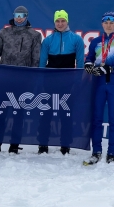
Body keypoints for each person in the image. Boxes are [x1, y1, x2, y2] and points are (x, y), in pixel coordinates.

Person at [0, 5, 42, 154]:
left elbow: (35, 60)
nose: (19, 18)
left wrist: (32, 79)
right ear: (13, 16)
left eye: (22, 15)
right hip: (4, 80)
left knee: (18, 113)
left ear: (26, 17)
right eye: (17, 15)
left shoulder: (34, 35)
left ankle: (14, 145)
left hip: (23, 81)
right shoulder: (4, 32)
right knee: (1, 112)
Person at [83, 11, 114, 165]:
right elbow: (89, 57)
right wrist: (88, 64)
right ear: (102, 24)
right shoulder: (96, 41)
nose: (109, 25)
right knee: (96, 118)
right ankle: (96, 151)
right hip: (98, 84)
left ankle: (111, 153)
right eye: (106, 22)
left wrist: (110, 69)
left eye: (112, 23)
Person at [38, 9, 85, 155]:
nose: (60, 23)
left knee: (66, 114)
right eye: (57, 21)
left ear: (67, 21)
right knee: (46, 114)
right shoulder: (48, 40)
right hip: (50, 81)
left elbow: (80, 62)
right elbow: (42, 62)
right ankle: (43, 144)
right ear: (54, 23)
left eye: (62, 21)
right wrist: (41, 80)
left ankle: (65, 144)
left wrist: (77, 81)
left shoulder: (76, 39)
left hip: (68, 82)